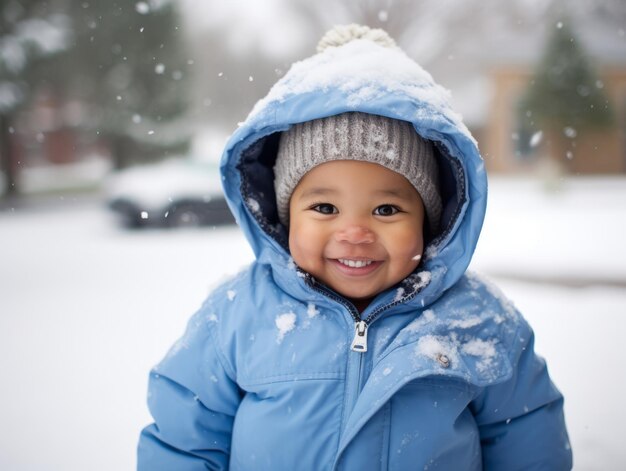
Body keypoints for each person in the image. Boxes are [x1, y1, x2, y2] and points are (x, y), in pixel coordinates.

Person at [137, 24, 572, 470]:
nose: (355, 232)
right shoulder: (235, 316)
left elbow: (528, 439)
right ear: (287, 218)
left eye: (385, 210)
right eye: (325, 207)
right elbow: (183, 442)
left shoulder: (478, 321)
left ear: (430, 220)